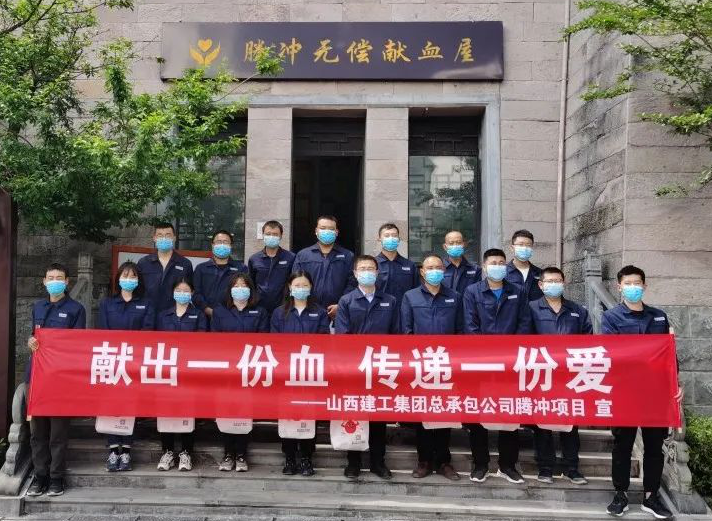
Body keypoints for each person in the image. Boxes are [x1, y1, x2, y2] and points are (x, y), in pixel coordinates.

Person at [603, 265, 681, 520]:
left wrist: (675, 384)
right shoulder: (611, 317)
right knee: (622, 445)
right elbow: (612, 353)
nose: (633, 287)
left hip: (655, 393)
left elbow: (669, 355)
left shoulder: (658, 317)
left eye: (637, 283)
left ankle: (651, 496)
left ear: (644, 286)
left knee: (654, 447)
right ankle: (620, 494)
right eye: (628, 284)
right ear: (619, 287)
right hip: (625, 392)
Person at [462, 248, 531, 485]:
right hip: (480, 361)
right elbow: (470, 325)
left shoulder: (517, 291)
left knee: (508, 413)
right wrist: (486, 352)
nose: (498, 266)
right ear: (484, 266)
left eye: (502, 262)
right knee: (478, 413)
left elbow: (524, 323)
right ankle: (480, 464)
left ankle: (507, 465)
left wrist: (510, 351)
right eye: (494, 262)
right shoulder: (472, 291)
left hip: (510, 361)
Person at [335, 255, 399, 480]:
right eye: (362, 269)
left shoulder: (390, 300)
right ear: (355, 273)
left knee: (378, 415)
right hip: (355, 367)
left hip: (381, 366)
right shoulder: (346, 301)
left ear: (377, 272)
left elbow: (396, 334)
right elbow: (343, 336)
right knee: (354, 414)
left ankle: (377, 462)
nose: (367, 272)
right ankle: (353, 462)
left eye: (371, 268)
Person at [26, 263, 87, 497]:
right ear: (44, 281)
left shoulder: (76, 309)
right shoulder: (37, 307)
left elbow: (77, 344)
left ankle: (56, 478)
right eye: (50, 277)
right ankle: (39, 476)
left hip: (61, 380)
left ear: (67, 282)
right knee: (37, 432)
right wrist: (31, 341)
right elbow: (34, 336)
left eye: (59, 278)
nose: (54, 281)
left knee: (57, 433)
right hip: (37, 377)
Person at [401, 254, 463, 481]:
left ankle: (444, 462)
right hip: (421, 365)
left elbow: (460, 331)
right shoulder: (410, 296)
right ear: (422, 271)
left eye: (438, 267)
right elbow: (406, 330)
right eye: (430, 267)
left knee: (444, 413)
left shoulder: (455, 297)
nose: (434, 270)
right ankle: (424, 461)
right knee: (423, 413)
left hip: (446, 364)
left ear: (444, 271)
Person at [528, 266, 591, 486]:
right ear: (541, 285)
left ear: (564, 283)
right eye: (550, 281)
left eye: (558, 281)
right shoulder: (531, 308)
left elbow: (588, 340)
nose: (554, 284)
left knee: (570, 423)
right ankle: (545, 467)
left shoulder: (577, 310)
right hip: (541, 373)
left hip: (570, 375)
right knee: (542, 422)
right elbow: (524, 339)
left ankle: (572, 467)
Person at [271, 271, 330, 476]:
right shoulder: (279, 313)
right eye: (297, 285)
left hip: (310, 372)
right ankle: (289, 457)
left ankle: (306, 457)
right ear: (290, 287)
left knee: (308, 415)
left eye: (305, 285)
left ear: (311, 288)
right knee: (287, 415)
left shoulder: (319, 312)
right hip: (286, 372)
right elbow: (274, 343)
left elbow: (324, 340)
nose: (301, 289)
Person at [98, 261, 155, 472]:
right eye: (125, 276)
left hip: (135, 363)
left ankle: (127, 451)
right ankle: (113, 449)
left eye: (133, 276)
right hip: (112, 361)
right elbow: (103, 331)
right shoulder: (107, 304)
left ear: (138, 280)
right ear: (118, 279)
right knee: (111, 405)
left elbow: (148, 331)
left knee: (131, 406)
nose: (128, 280)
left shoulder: (146, 304)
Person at [211, 273, 269, 472]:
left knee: (244, 412)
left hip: (249, 370)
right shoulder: (220, 312)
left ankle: (242, 454)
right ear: (230, 290)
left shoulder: (260, 312)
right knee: (226, 411)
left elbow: (263, 340)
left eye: (244, 285)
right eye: (236, 285)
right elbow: (214, 340)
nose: (240, 289)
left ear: (251, 290)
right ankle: (228, 453)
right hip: (226, 370)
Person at [155, 278, 207, 472]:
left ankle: (186, 452)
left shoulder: (198, 315)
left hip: (188, 369)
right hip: (167, 368)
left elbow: (201, 340)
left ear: (192, 293)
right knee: (166, 409)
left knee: (187, 410)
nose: (182, 293)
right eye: (179, 290)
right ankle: (167, 451)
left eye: (186, 290)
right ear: (173, 292)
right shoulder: (163, 315)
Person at [292, 215, 355, 320]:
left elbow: (352, 283)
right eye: (323, 228)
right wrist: (304, 303)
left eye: (331, 229)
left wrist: (341, 305)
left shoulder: (348, 256)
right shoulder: (303, 255)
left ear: (336, 232)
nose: (327, 231)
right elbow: (296, 281)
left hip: (338, 313)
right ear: (316, 231)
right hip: (308, 311)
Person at [137, 222, 194, 313]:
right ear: (154, 238)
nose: (164, 238)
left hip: (173, 316)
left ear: (174, 238)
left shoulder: (185, 264)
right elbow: (138, 290)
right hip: (147, 314)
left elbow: (190, 291)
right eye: (160, 235)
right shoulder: (143, 263)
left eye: (168, 235)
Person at [193, 230, 247, 319]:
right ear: (212, 245)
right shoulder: (201, 268)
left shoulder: (241, 268)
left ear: (231, 245)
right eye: (219, 242)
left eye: (225, 242)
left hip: (232, 317)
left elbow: (245, 293)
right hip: (205, 317)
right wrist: (207, 310)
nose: (222, 245)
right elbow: (196, 293)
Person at [248, 220, 295, 315]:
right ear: (263, 235)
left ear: (281, 236)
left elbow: (294, 282)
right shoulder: (254, 259)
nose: (271, 237)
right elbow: (250, 284)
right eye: (268, 234)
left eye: (275, 234)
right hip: (259, 308)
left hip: (283, 308)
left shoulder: (291, 257)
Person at [374, 223, 418, 309]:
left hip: (403, 311)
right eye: (387, 235)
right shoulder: (372, 264)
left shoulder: (410, 265)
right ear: (379, 239)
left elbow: (416, 291)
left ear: (399, 239)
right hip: (379, 311)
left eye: (394, 235)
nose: (391, 238)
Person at [505, 229, 543, 302]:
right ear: (512, 248)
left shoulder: (540, 273)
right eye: (520, 244)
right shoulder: (503, 273)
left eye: (528, 245)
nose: (525, 248)